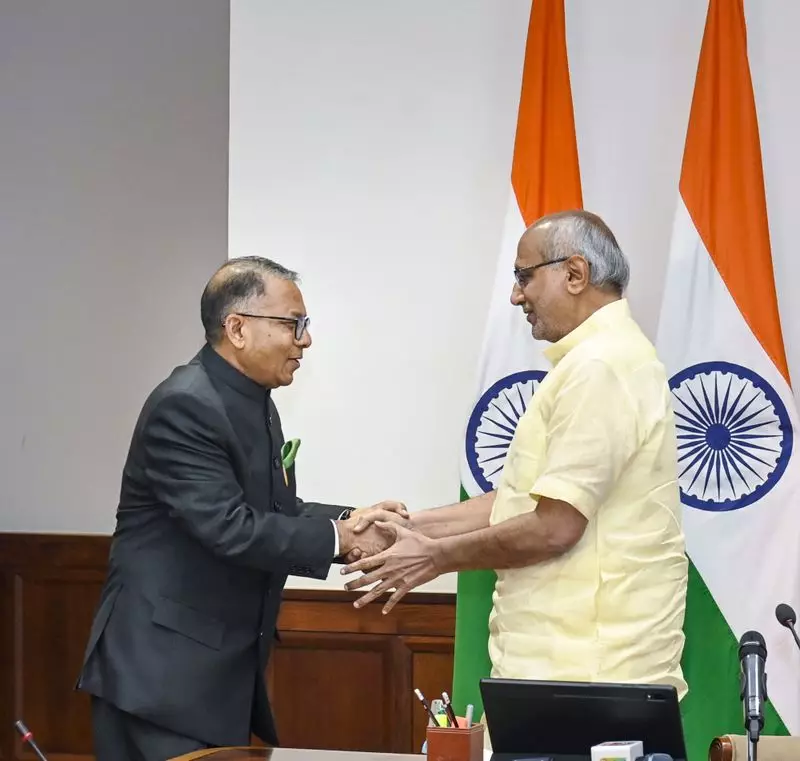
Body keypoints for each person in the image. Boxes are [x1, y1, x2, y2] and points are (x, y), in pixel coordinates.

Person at [344, 210, 689, 698]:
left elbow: (555, 526)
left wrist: (436, 558)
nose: (515, 295)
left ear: (575, 273)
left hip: (590, 673)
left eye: (524, 277)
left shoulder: (603, 366)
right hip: (563, 666)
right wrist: (408, 530)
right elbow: (522, 501)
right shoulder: (591, 362)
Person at [77, 256, 407, 761]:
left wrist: (355, 520)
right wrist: (342, 540)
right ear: (237, 328)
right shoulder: (185, 404)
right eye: (293, 324)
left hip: (212, 677)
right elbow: (229, 528)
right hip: (161, 680)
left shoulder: (255, 400)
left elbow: (274, 509)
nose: (305, 340)